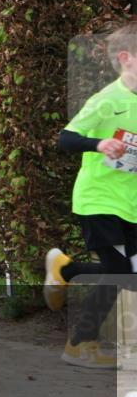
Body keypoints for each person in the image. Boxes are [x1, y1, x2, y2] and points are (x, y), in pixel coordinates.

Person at [46, 21, 137, 369]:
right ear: (127, 59)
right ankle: (80, 343)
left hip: (132, 205)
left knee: (130, 275)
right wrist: (99, 143)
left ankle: (66, 270)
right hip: (99, 199)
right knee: (117, 272)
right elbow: (65, 139)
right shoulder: (105, 101)